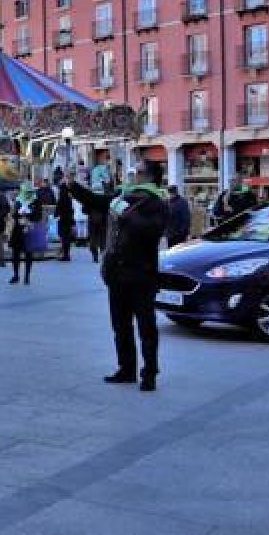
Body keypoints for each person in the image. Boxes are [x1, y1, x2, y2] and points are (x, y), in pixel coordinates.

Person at [67, 160, 169, 392]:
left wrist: (126, 215)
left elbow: (152, 230)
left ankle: (150, 373)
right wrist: (73, 187)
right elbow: (97, 201)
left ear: (150, 176)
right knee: (121, 325)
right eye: (132, 172)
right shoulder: (122, 196)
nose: (132, 175)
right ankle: (126, 369)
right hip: (117, 273)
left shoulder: (158, 202)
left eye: (137, 172)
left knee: (146, 327)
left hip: (142, 274)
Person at [8, 182, 43, 285]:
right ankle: (16, 275)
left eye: (30, 192)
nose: (28, 194)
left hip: (30, 229)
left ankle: (27, 276)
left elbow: (38, 216)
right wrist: (19, 216)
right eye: (26, 192)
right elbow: (14, 214)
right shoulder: (18, 201)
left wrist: (29, 218)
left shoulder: (36, 201)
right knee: (15, 254)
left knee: (28, 253)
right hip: (18, 230)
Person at [86, 180, 110, 263]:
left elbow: (85, 210)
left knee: (93, 238)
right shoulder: (104, 198)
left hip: (93, 220)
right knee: (103, 238)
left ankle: (95, 255)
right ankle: (102, 253)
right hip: (103, 220)